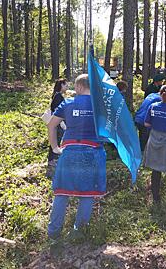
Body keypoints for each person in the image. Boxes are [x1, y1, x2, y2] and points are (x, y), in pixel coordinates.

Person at [46, 75, 106, 240]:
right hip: (93, 152)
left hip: (70, 152)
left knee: (62, 192)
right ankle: (78, 233)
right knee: (87, 193)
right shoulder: (100, 106)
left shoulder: (68, 103)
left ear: (78, 87)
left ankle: (53, 233)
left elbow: (51, 124)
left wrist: (55, 147)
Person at [46, 79, 68, 179]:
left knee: (57, 140)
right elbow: (58, 111)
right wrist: (62, 123)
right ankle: (52, 160)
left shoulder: (57, 95)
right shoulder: (58, 96)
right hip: (58, 123)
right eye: (66, 85)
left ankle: (53, 159)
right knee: (56, 140)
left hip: (58, 123)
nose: (67, 87)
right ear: (62, 85)